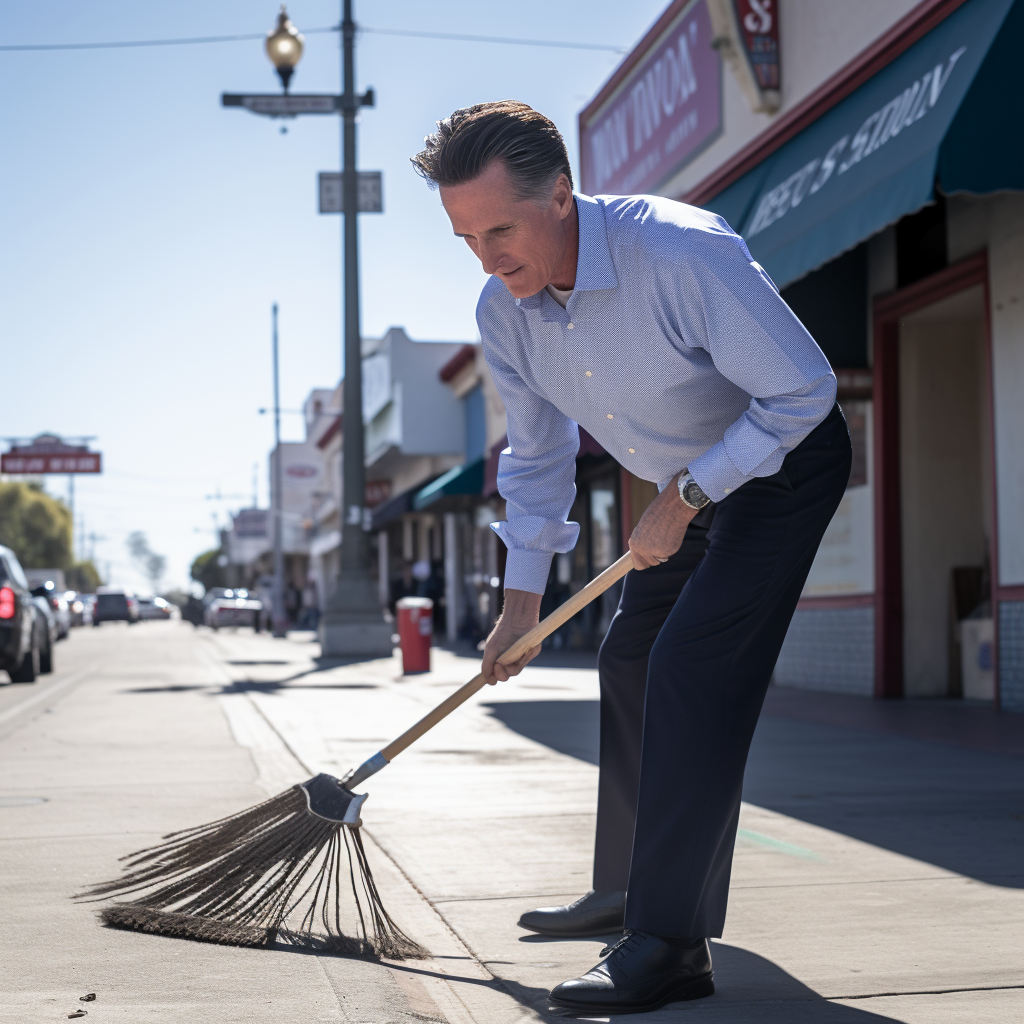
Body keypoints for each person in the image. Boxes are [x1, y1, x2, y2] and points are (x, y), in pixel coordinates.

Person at [412, 101, 851, 1015]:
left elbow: (804, 391)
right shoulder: (506, 311)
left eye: (501, 228)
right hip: (676, 491)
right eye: (465, 237)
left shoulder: (679, 253)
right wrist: (519, 606)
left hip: (778, 466)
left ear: (562, 196)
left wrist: (690, 495)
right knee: (628, 656)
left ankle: (670, 943)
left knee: (692, 663)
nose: (488, 258)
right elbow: (534, 462)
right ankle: (627, 891)